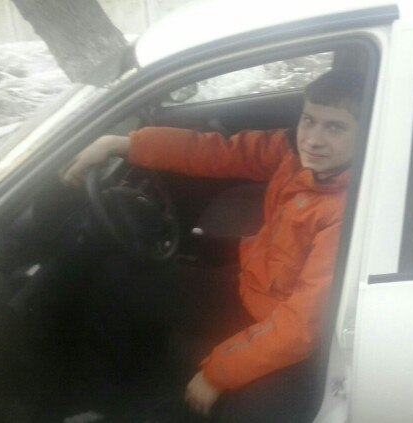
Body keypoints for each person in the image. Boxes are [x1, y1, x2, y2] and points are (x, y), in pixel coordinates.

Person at [62, 69, 363, 422]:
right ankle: (105, 405)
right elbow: (214, 151)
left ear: (366, 134)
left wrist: (217, 373)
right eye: (308, 120)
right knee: (119, 279)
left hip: (281, 327)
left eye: (335, 128)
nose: (313, 139)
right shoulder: (291, 154)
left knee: (249, 411)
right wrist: (123, 144)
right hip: (250, 285)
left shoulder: (346, 210)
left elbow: (300, 328)